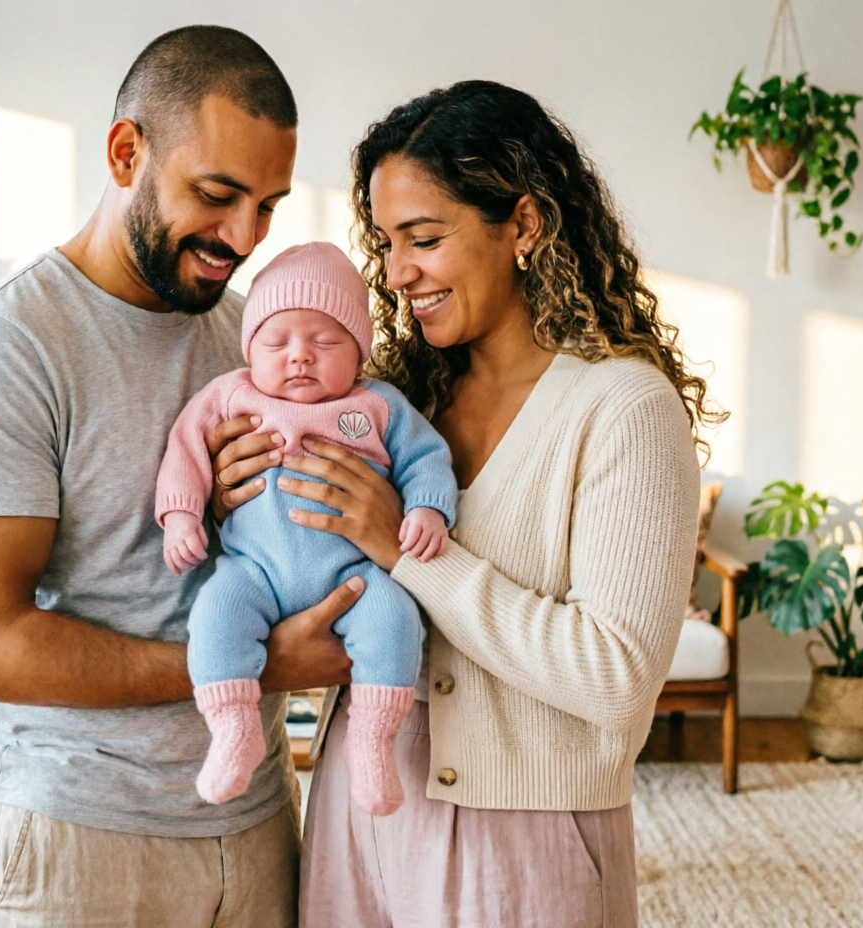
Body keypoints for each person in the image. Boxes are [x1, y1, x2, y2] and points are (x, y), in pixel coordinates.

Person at [0, 26, 354, 928]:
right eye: (217, 195)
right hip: (77, 840)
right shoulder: (6, 349)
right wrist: (259, 667)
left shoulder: (256, 337)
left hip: (257, 819)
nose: (242, 238)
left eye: (267, 206)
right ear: (126, 153)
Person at [285, 81, 714, 927]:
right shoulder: (394, 399)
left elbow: (617, 676)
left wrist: (409, 551)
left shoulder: (623, 409)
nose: (398, 272)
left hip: (525, 837)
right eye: (386, 241)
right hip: (356, 803)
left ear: (523, 224)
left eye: (425, 238)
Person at [156, 242, 457, 814]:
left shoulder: (378, 405)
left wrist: (428, 509)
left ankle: (371, 741)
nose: (300, 357)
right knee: (214, 615)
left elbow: (426, 459)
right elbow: (187, 449)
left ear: (359, 353)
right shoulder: (231, 394)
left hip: (357, 572)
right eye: (278, 342)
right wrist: (179, 516)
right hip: (254, 571)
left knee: (396, 622)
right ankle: (233, 729)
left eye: (324, 343)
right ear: (251, 349)